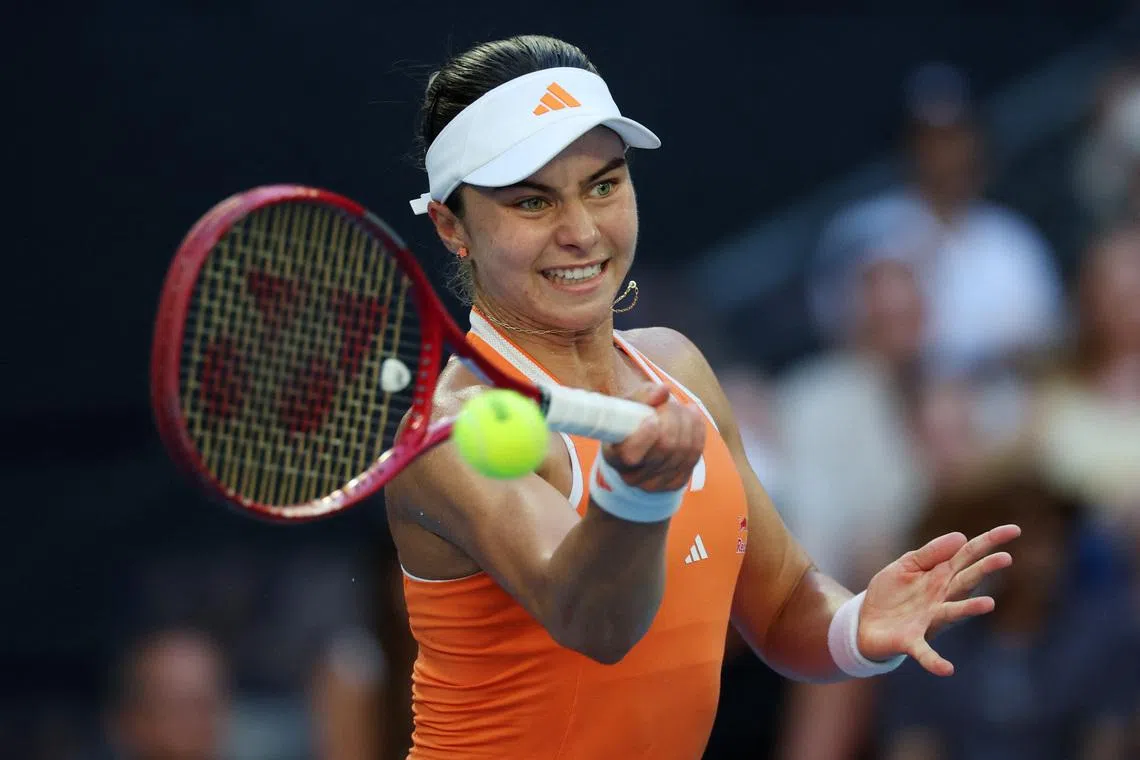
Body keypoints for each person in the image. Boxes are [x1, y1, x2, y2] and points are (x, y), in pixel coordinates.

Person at [384, 35, 1020, 759]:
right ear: (450, 225)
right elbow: (596, 624)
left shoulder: (676, 364)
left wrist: (856, 628)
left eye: (604, 185)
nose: (582, 231)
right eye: (533, 202)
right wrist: (638, 495)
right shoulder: (444, 435)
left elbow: (781, 605)